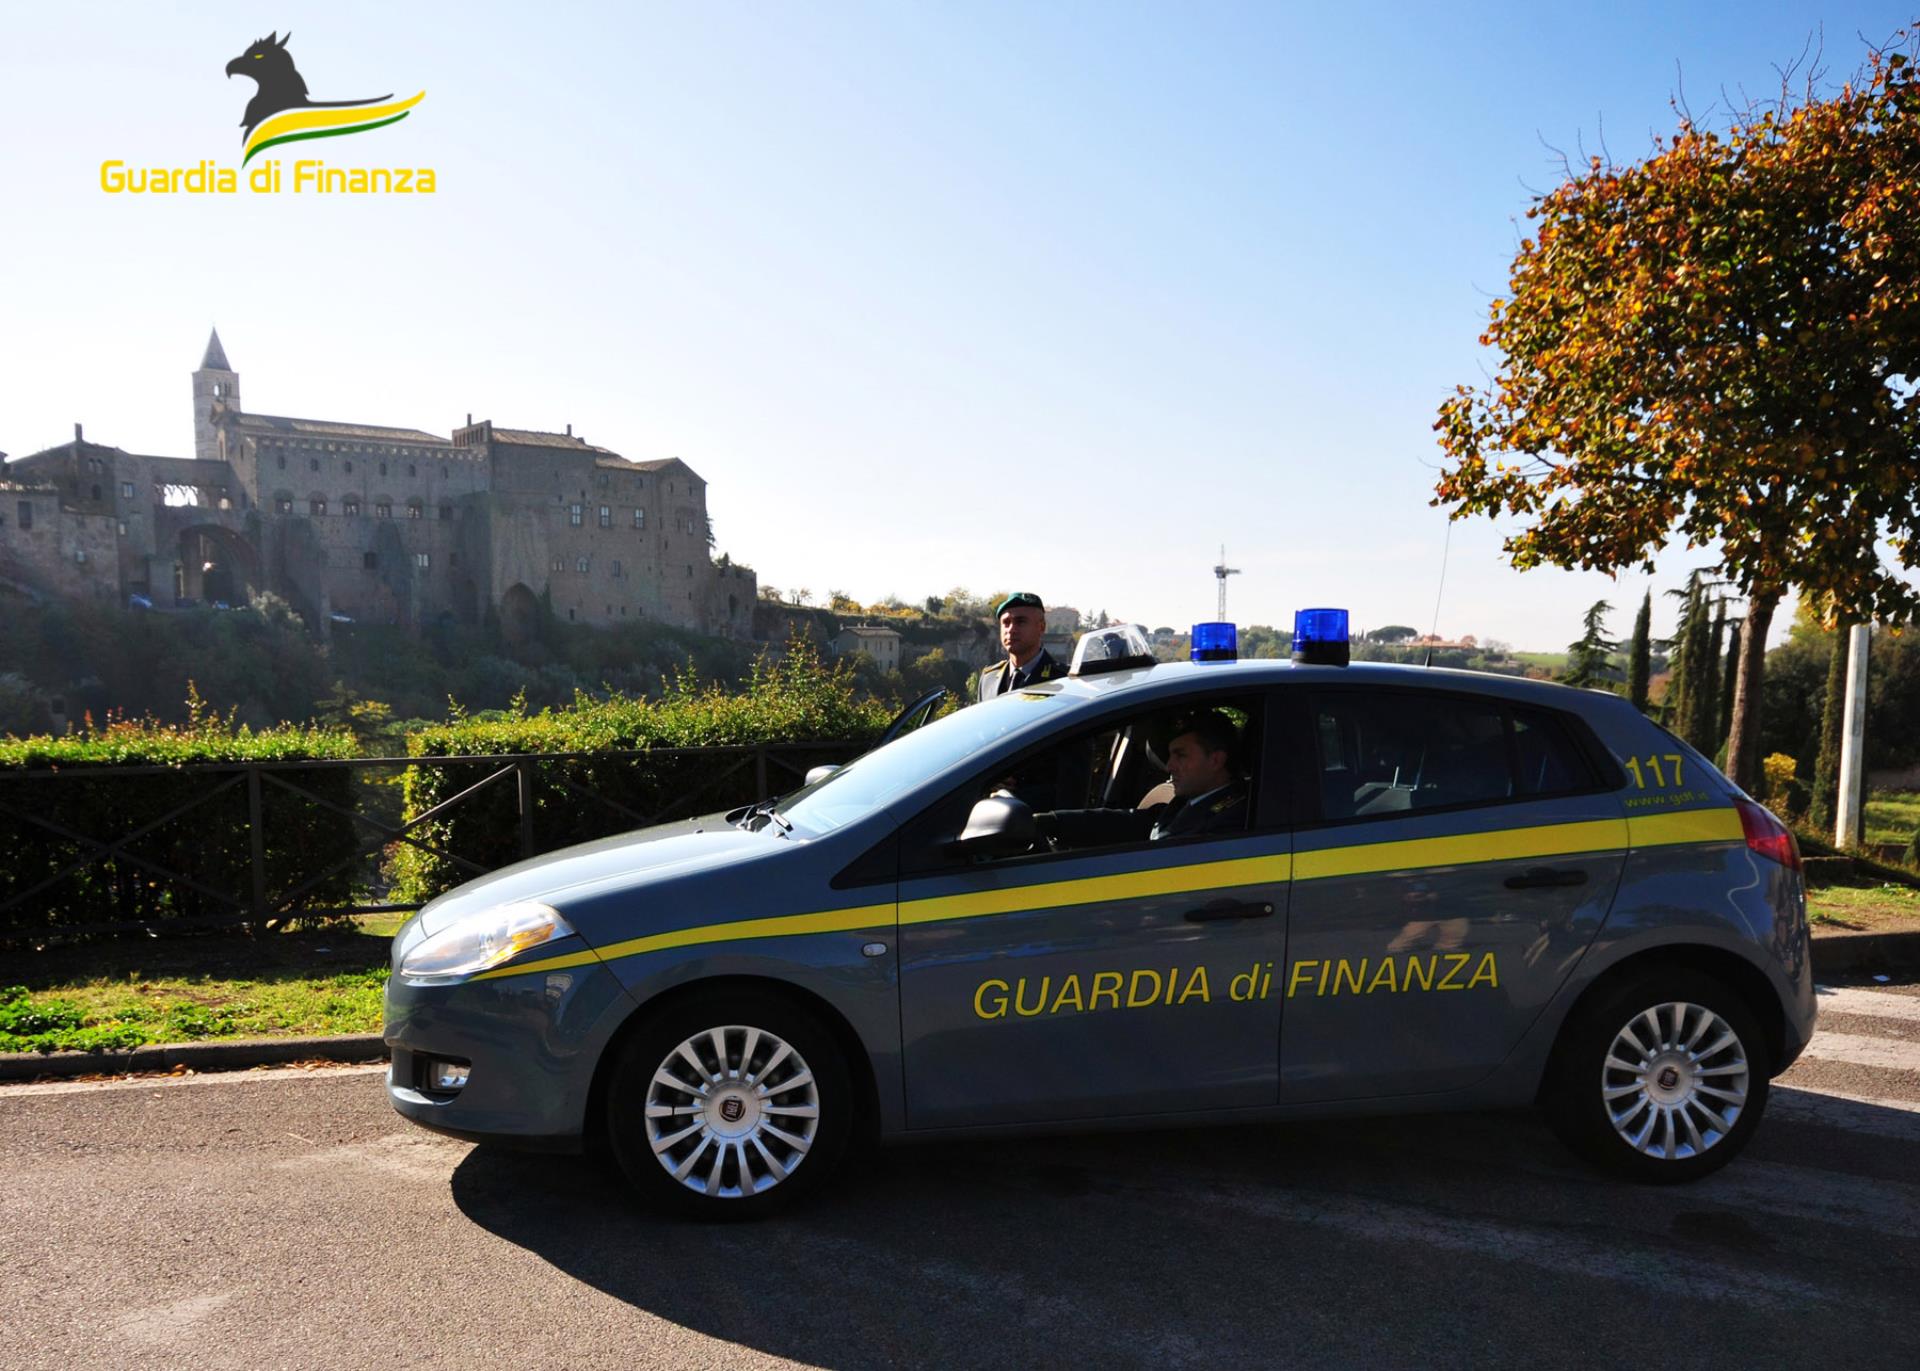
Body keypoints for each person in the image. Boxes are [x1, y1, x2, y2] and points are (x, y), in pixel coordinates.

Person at [1039, 710, 1249, 846]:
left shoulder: (1231, 820)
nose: (1169, 766)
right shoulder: (1192, 801)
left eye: (1181, 755)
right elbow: (1133, 822)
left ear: (1215, 761)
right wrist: (1054, 821)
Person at [970, 592, 1069, 703]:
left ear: (1041, 627)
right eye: (1006, 623)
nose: (1011, 630)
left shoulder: (1063, 679)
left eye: (1020, 622)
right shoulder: (989, 679)